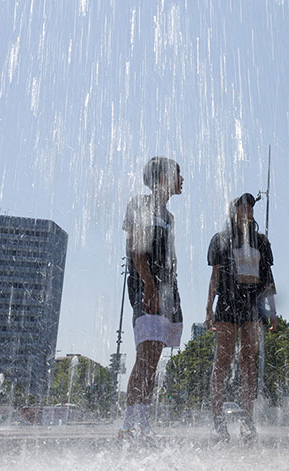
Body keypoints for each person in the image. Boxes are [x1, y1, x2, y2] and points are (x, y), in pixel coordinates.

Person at [118, 156, 184, 441]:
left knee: (154, 356)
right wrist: (149, 286)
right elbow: (136, 247)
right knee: (145, 356)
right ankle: (128, 426)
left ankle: (143, 424)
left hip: (167, 288)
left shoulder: (168, 215)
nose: (182, 180)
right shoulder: (139, 204)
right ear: (162, 178)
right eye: (178, 175)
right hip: (147, 287)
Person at [205, 193, 277, 443]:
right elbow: (215, 277)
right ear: (233, 210)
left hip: (252, 302)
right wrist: (208, 309)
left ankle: (248, 420)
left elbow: (268, 278)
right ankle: (218, 420)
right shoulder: (221, 239)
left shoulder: (261, 241)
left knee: (249, 363)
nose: (247, 209)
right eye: (242, 205)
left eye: (250, 206)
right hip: (227, 301)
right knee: (222, 360)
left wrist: (272, 311)